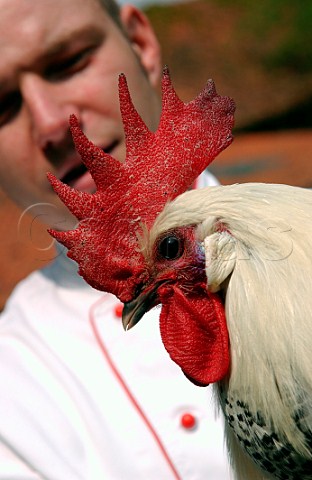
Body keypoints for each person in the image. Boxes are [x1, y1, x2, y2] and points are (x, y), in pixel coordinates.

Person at [0, 0, 231, 478]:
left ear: (142, 45)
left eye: (68, 63)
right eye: (2, 106)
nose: (49, 123)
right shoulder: (14, 387)